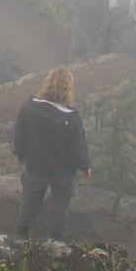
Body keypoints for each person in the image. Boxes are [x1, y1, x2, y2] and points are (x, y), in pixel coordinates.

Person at [13, 66, 91, 240]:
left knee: (30, 199)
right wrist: (85, 166)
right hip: (62, 170)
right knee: (61, 204)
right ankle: (57, 237)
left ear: (47, 83)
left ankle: (22, 231)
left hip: (36, 165)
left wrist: (20, 153)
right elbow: (78, 145)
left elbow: (20, 133)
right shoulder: (71, 119)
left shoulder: (30, 107)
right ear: (69, 88)